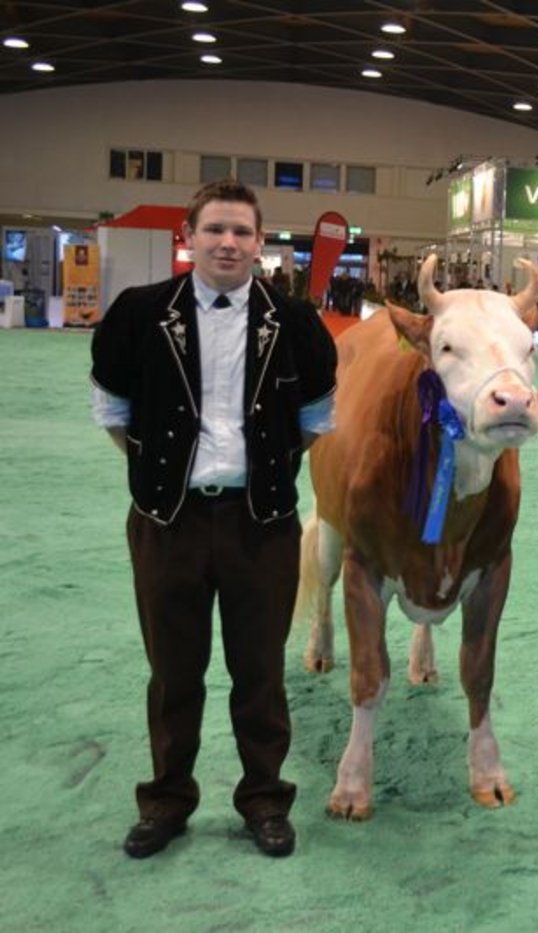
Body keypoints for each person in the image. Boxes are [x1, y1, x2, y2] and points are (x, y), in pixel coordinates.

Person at [89, 179, 337, 859]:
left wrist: (255, 474)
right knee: (174, 672)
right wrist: (163, 479)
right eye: (215, 230)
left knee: (260, 671)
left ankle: (264, 798)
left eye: (241, 232)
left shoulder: (295, 323)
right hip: (167, 522)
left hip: (262, 525)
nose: (227, 242)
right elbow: (114, 412)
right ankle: (167, 799)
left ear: (260, 244)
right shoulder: (139, 314)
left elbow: (314, 422)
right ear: (189, 236)